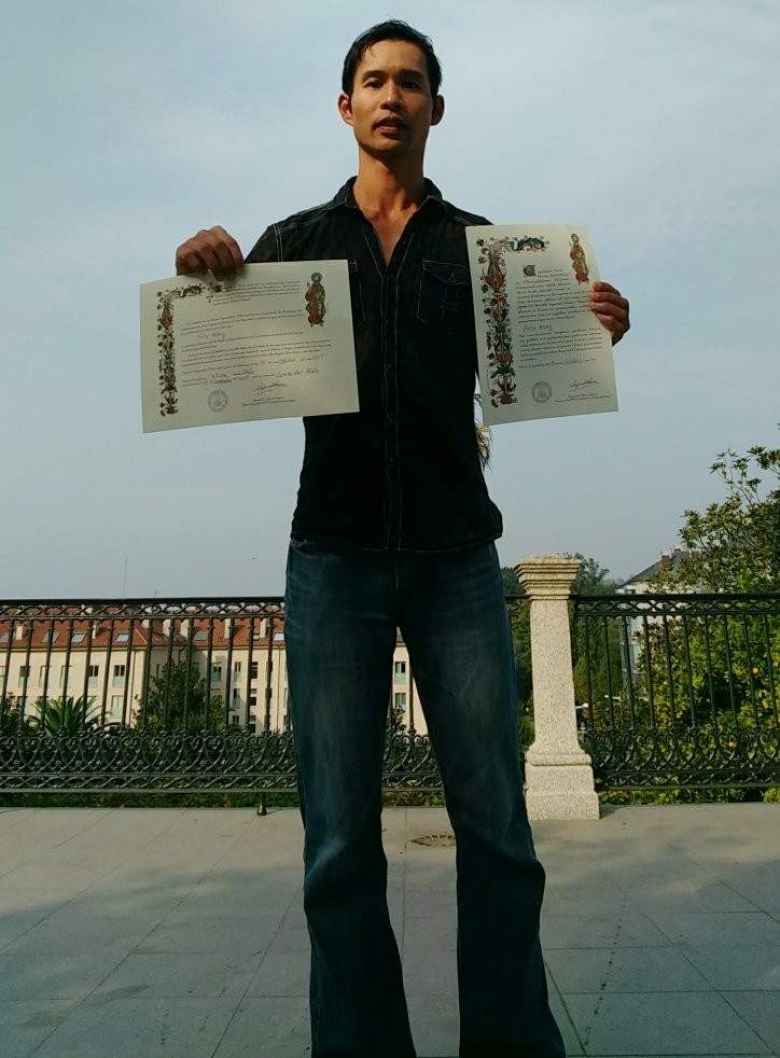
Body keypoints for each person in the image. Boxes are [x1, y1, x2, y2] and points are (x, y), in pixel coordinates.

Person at [174, 20, 630, 1058]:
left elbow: (546, 347)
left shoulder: (485, 250)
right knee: (337, 841)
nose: (392, 96)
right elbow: (211, 319)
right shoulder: (289, 246)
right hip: (331, 556)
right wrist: (204, 262)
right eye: (373, 81)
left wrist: (594, 321)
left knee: (500, 835)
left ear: (435, 106)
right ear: (346, 107)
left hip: (455, 556)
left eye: (410, 82)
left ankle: (512, 1040)